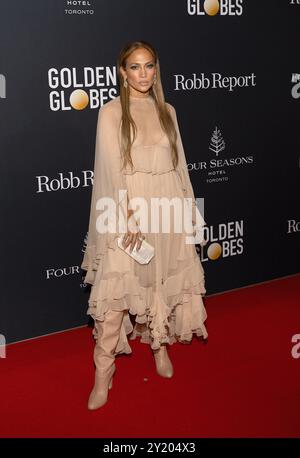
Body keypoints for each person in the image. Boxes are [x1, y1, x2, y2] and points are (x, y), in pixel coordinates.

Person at [81, 40, 208, 411]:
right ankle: (103, 375)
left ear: (156, 69)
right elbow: (107, 167)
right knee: (115, 296)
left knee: (161, 281)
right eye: (134, 67)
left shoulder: (167, 109)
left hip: (166, 204)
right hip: (128, 209)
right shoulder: (109, 113)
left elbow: (180, 165)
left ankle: (159, 347)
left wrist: (189, 213)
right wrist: (126, 216)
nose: (142, 74)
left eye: (148, 66)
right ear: (122, 72)